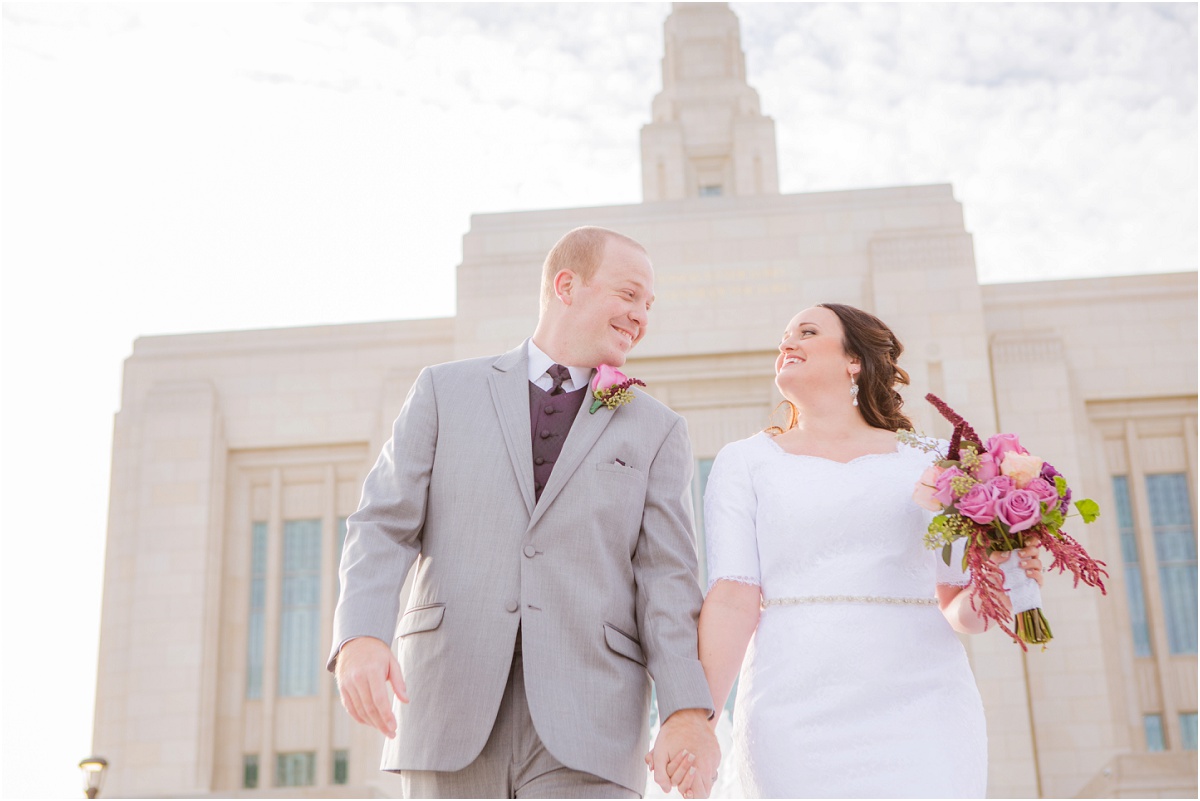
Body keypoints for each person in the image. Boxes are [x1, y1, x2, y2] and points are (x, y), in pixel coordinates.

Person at [328, 226, 720, 799]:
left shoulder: (656, 429)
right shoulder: (444, 391)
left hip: (593, 718)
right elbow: (382, 524)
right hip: (448, 701)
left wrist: (686, 708)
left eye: (649, 306)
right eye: (629, 294)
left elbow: (667, 578)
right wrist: (362, 635)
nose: (641, 316)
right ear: (567, 285)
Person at [689, 303, 1043, 798]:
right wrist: (699, 721)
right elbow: (731, 598)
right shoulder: (744, 462)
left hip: (924, 708)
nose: (786, 344)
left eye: (806, 332)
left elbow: (961, 610)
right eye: (783, 338)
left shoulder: (934, 459)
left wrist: (1003, 578)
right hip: (791, 705)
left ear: (854, 360)